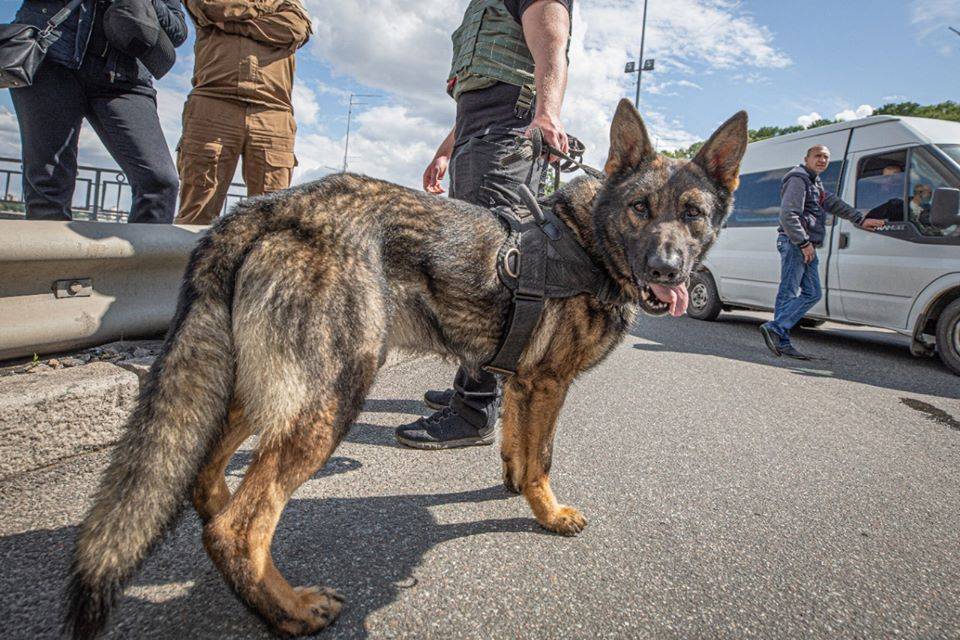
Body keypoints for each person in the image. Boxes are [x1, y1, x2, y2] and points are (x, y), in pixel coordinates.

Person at [395, 0, 573, 449]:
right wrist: (444, 150)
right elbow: (476, 98)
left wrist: (548, 112)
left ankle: (475, 408)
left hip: (506, 129)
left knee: (489, 274)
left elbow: (552, 46)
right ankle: (471, 385)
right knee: (470, 267)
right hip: (479, 129)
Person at [9, 0, 187, 223]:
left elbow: (178, 32)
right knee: (49, 185)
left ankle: (142, 259)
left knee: (159, 181)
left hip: (125, 75)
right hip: (52, 57)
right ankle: (50, 258)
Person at [174, 0, 312, 225]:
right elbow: (209, 7)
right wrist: (265, 14)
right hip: (215, 102)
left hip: (272, 112)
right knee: (196, 214)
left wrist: (232, 24)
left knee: (271, 221)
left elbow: (295, 28)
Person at [759, 144, 886, 360]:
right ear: (806, 158)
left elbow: (833, 203)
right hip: (795, 243)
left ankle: (777, 330)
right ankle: (780, 335)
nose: (822, 160)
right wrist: (803, 243)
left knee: (812, 292)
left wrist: (860, 219)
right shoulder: (798, 178)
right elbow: (789, 215)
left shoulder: (814, 183)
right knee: (790, 292)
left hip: (802, 244)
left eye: (826, 157)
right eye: (818, 156)